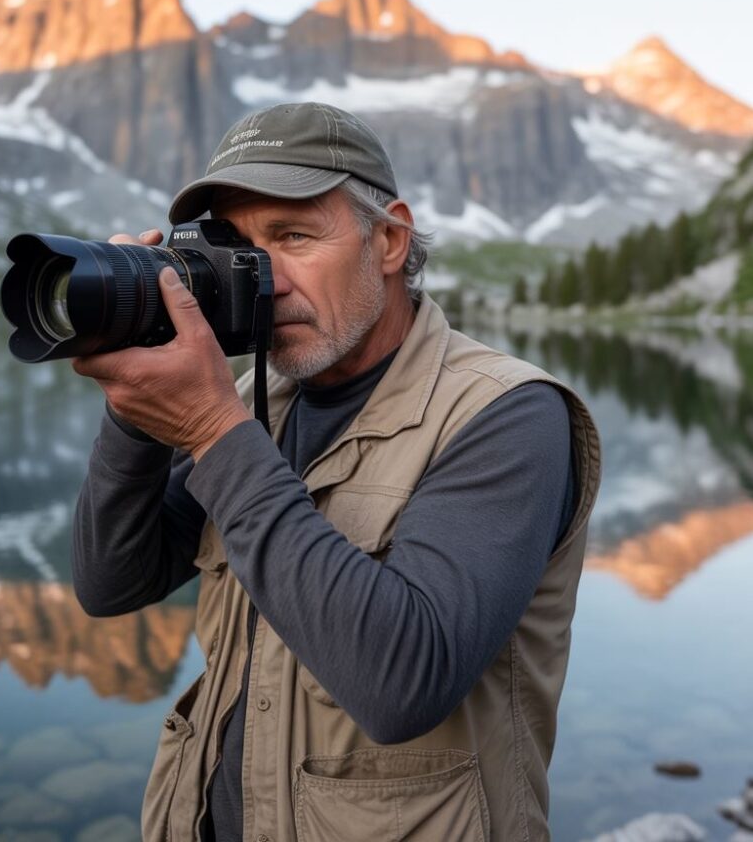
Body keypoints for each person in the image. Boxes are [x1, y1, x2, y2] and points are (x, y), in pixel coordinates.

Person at [71, 101, 602, 842]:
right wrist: (137, 405)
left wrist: (211, 429)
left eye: (292, 236)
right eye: (240, 248)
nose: (266, 278)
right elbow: (112, 582)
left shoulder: (507, 414)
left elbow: (402, 683)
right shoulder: (262, 408)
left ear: (389, 239)